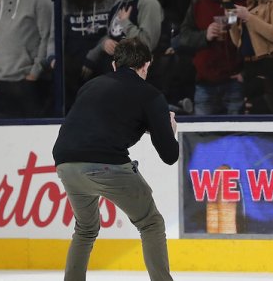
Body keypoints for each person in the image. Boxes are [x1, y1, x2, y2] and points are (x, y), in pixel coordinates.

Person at [52, 37, 178, 281]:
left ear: (114, 65)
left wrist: (145, 126)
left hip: (65, 163)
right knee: (150, 223)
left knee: (85, 229)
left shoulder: (90, 86)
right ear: (146, 66)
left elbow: (103, 122)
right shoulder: (150, 95)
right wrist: (167, 129)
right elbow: (170, 155)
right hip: (106, 165)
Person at [179, 0, 246, 115]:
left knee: (237, 137)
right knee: (203, 138)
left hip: (237, 81)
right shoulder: (199, 0)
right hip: (205, 83)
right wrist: (205, 35)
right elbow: (184, 37)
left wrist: (247, 74)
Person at [62, 0, 116, 110]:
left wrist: (92, 56)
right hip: (74, 56)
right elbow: (58, 36)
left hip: (100, 52)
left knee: (111, 66)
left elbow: (113, 31)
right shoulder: (67, 0)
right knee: (65, 70)